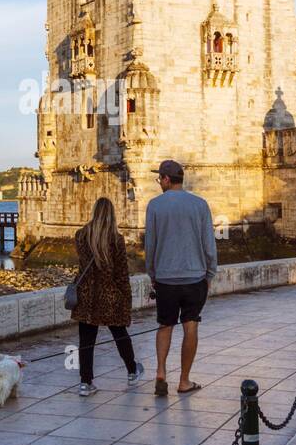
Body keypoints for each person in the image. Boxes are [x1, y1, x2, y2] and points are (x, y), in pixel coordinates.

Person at [144, 159, 217, 396]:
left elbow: (151, 244)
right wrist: (210, 272)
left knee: (165, 325)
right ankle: (184, 380)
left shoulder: (154, 206)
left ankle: (161, 372)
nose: (159, 184)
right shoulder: (200, 205)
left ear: (166, 179)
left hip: (165, 278)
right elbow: (209, 243)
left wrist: (152, 273)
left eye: (160, 180)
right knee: (190, 326)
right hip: (194, 277)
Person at [72, 197, 144, 397]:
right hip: (109, 295)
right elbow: (121, 273)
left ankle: (85, 383)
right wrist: (125, 298)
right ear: (111, 213)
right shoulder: (115, 239)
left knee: (86, 341)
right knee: (120, 335)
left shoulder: (80, 235)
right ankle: (131, 371)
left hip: (86, 296)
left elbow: (82, 267)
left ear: (94, 212)